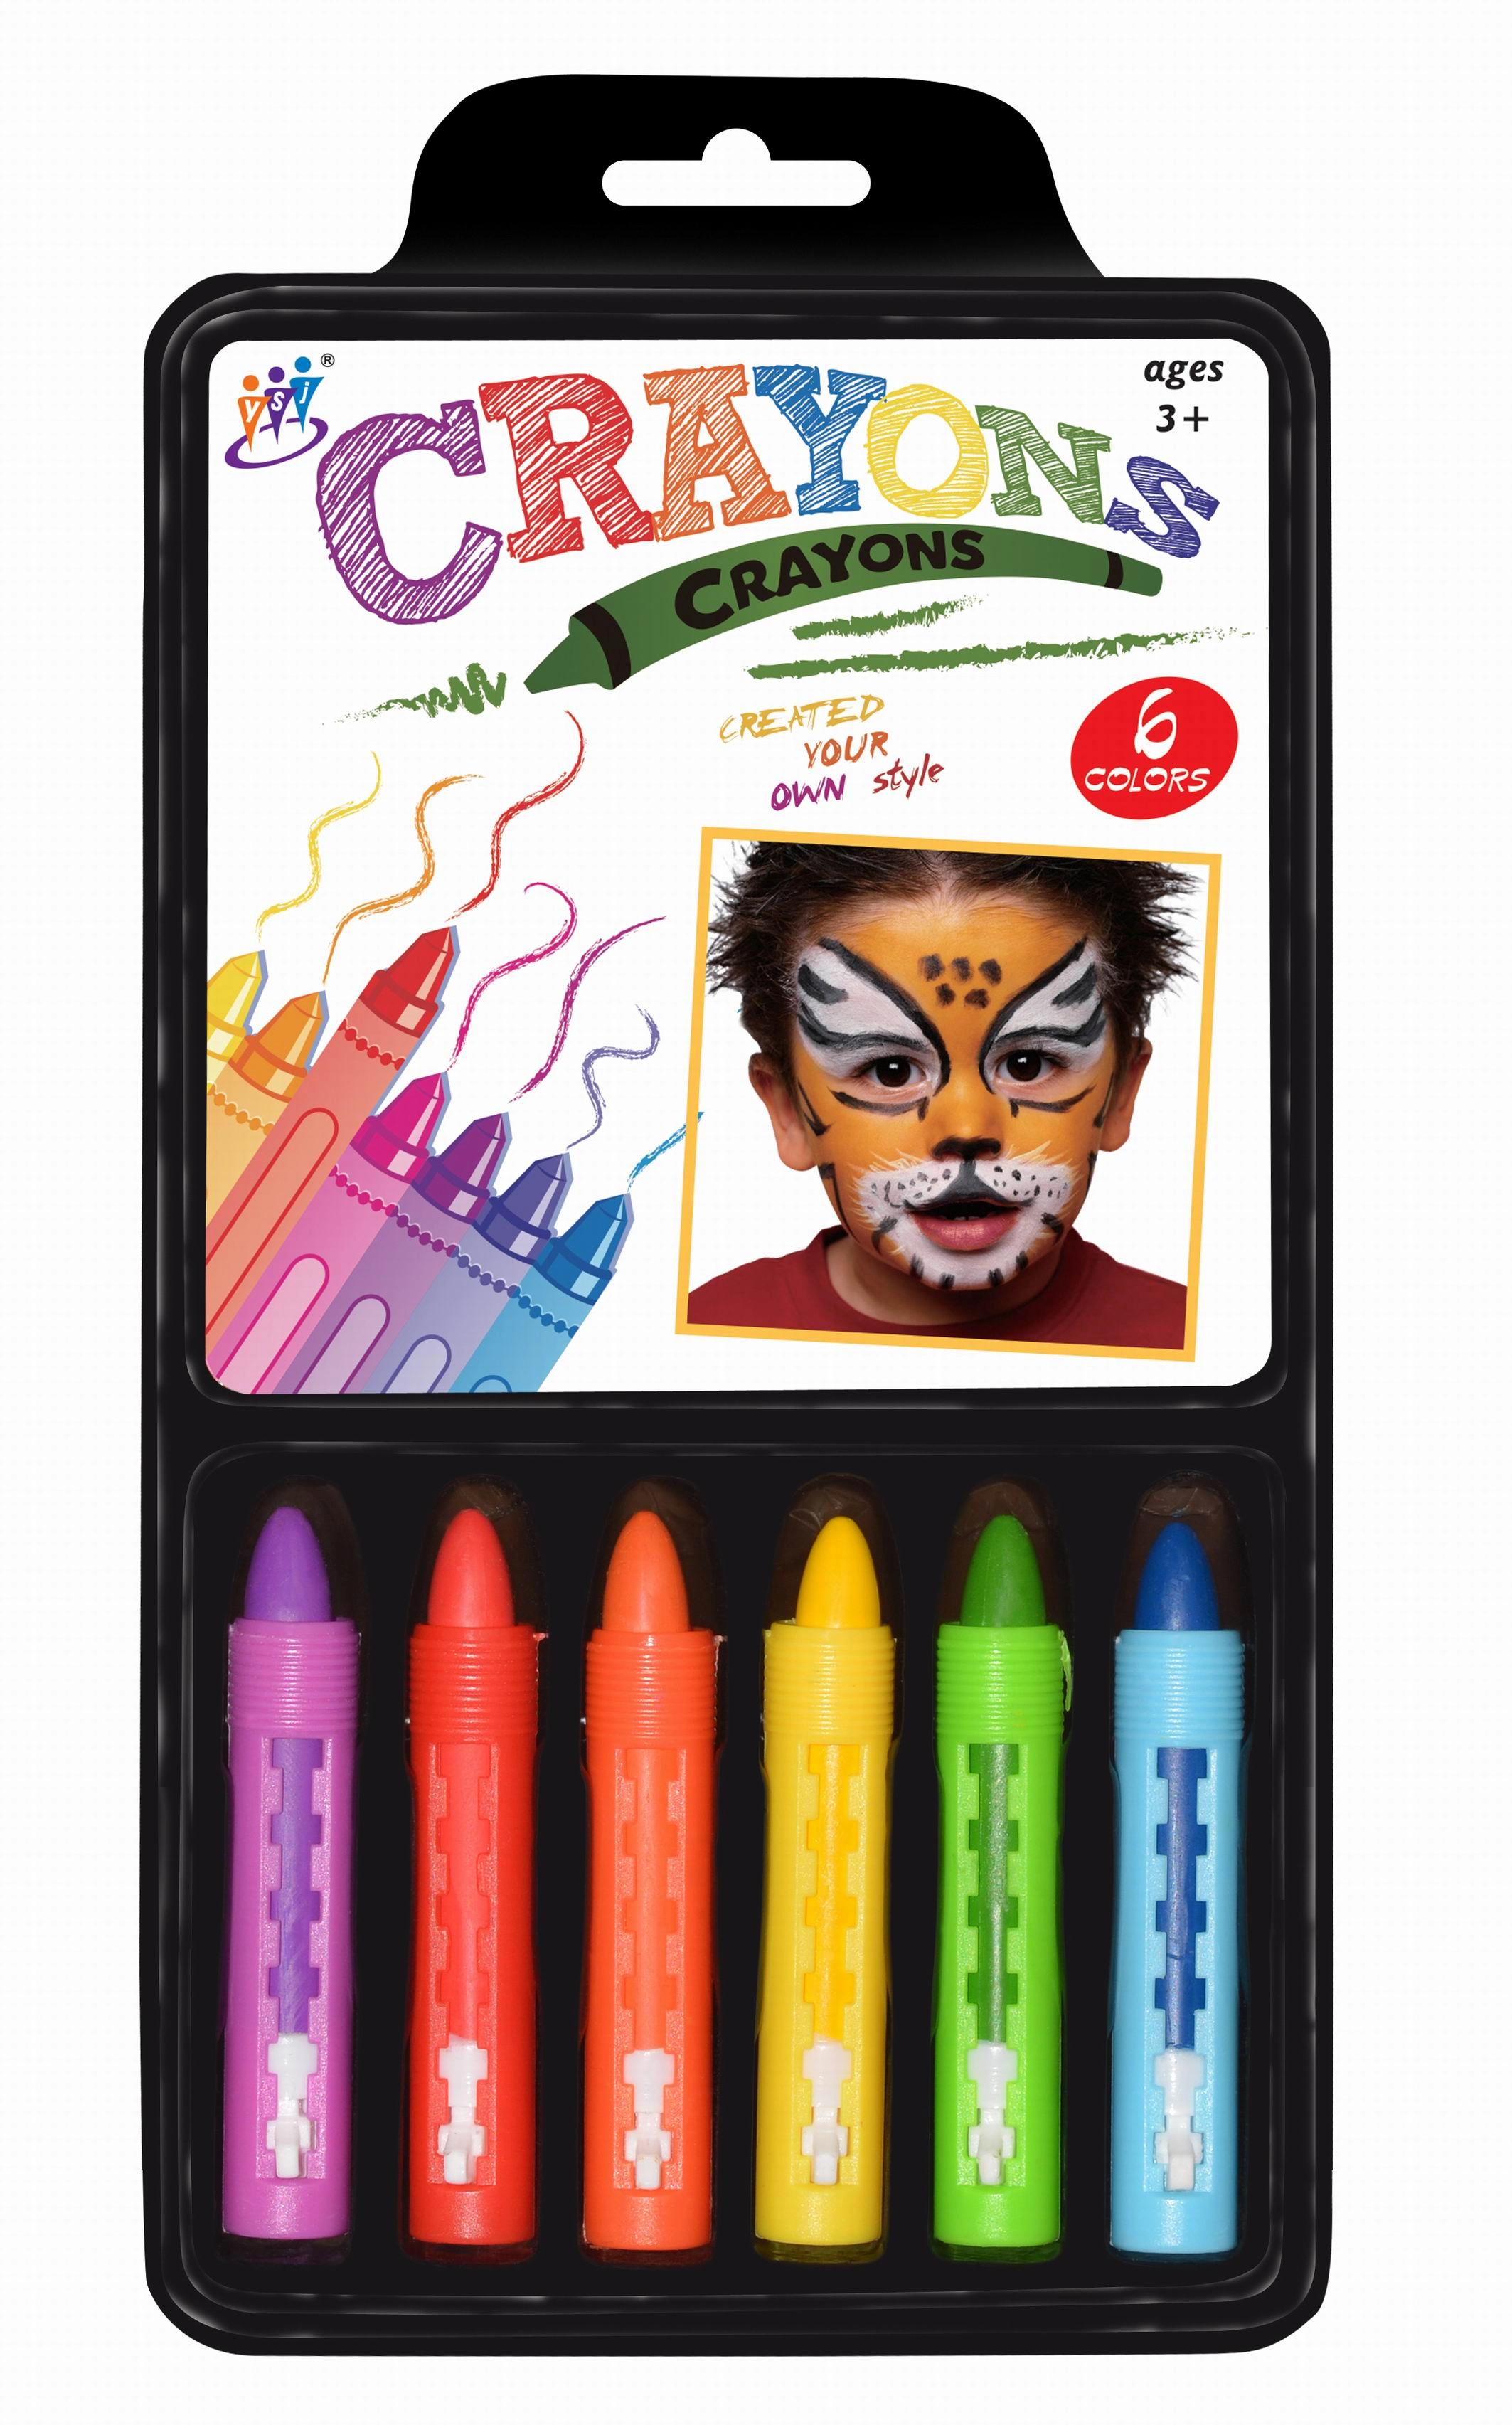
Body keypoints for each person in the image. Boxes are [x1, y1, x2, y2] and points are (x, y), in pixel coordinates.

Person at [687, 842, 1193, 1350]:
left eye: (1028, 1064)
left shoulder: (1194, 1344)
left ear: (1122, 1092)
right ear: (788, 1113)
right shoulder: (707, 1338)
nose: (967, 1129)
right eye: (890, 1071)